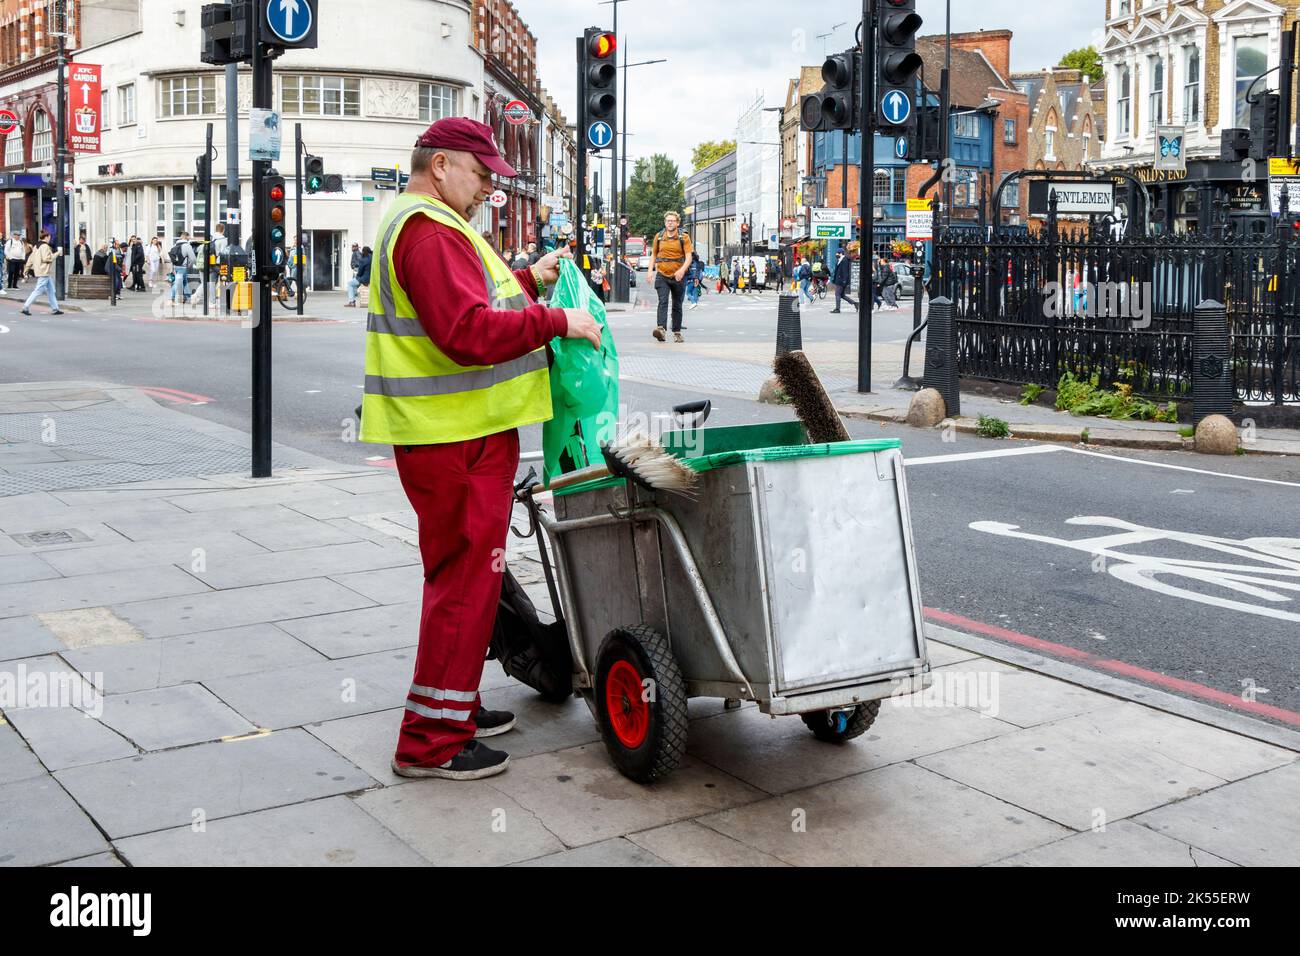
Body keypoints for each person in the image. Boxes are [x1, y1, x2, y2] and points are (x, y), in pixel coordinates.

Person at [358, 116, 600, 781]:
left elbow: (478, 301)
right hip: (453, 439)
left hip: (461, 435)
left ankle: (454, 706)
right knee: (463, 586)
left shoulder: (435, 224)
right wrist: (559, 319)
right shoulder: (429, 232)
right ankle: (431, 741)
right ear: (441, 166)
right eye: (481, 172)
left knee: (469, 581)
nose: (490, 185)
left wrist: (527, 278)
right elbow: (464, 332)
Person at [646, 210, 692, 343]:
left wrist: (682, 270)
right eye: (667, 221)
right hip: (662, 274)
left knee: (677, 304)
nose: (670, 223)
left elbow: (689, 257)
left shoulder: (684, 237)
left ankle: (677, 332)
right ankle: (661, 329)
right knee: (663, 301)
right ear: (665, 223)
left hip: (678, 275)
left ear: (677, 223)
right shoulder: (659, 236)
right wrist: (650, 271)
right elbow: (654, 255)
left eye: (672, 221)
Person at [19, 231, 63, 315]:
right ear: (46, 237)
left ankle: (55, 308)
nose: (50, 239)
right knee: (38, 291)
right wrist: (57, 253)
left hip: (42, 271)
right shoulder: (45, 246)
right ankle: (25, 307)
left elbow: (31, 258)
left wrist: (26, 269)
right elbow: (47, 258)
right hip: (44, 271)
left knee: (51, 290)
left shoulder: (36, 246)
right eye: (49, 237)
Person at [829, 248, 858, 314]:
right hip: (839, 280)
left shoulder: (844, 260)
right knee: (842, 295)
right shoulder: (840, 259)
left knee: (837, 294)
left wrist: (844, 281)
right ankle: (855, 303)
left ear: (840, 253)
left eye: (837, 253)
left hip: (841, 280)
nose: (836, 254)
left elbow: (845, 271)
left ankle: (837, 309)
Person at [169, 231, 194, 303]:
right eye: (189, 236)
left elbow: (172, 257)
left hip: (176, 267)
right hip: (183, 267)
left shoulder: (175, 245)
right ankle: (172, 298)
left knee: (184, 281)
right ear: (186, 237)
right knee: (177, 283)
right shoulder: (187, 245)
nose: (190, 238)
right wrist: (189, 266)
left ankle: (187, 297)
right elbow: (193, 259)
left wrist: (172, 268)